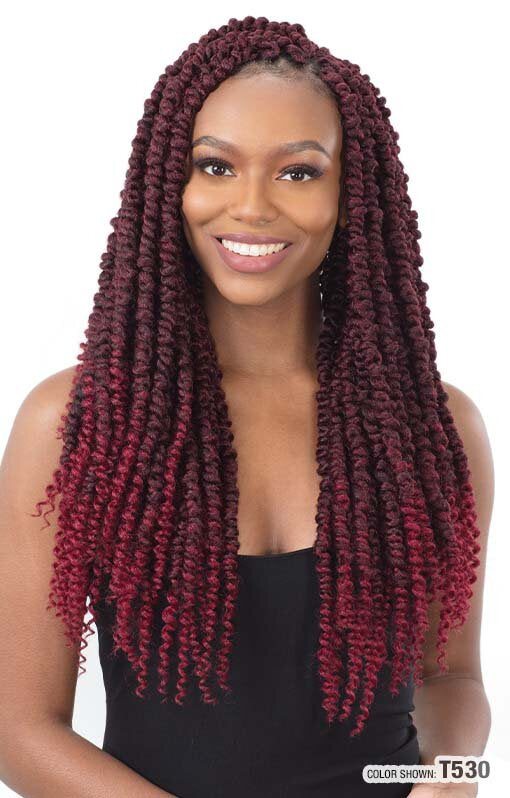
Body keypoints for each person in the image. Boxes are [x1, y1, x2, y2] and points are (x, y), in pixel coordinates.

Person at [0, 15, 493, 798]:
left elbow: (453, 680)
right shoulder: (75, 424)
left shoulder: (434, 430)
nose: (253, 207)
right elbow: (20, 734)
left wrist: (453, 778)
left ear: (350, 195)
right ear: (172, 185)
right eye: (216, 166)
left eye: (298, 172)